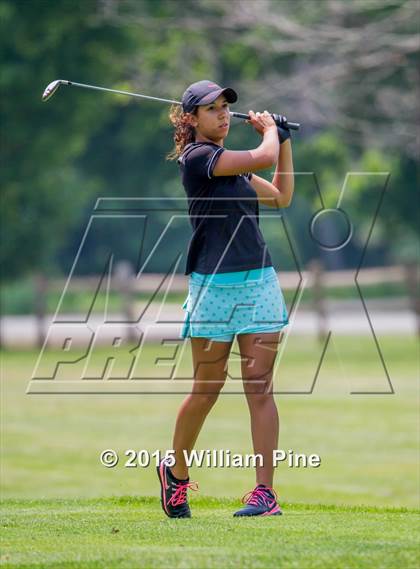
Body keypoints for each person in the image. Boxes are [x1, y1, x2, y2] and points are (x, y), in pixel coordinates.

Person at [157, 80, 294, 518]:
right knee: (207, 389)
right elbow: (262, 154)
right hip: (213, 285)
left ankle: (265, 494)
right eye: (210, 109)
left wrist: (284, 140)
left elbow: (281, 197)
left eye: (223, 108)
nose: (221, 115)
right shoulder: (198, 159)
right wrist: (269, 131)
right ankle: (175, 475)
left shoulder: (235, 169)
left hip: (257, 282)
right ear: (191, 119)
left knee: (260, 389)